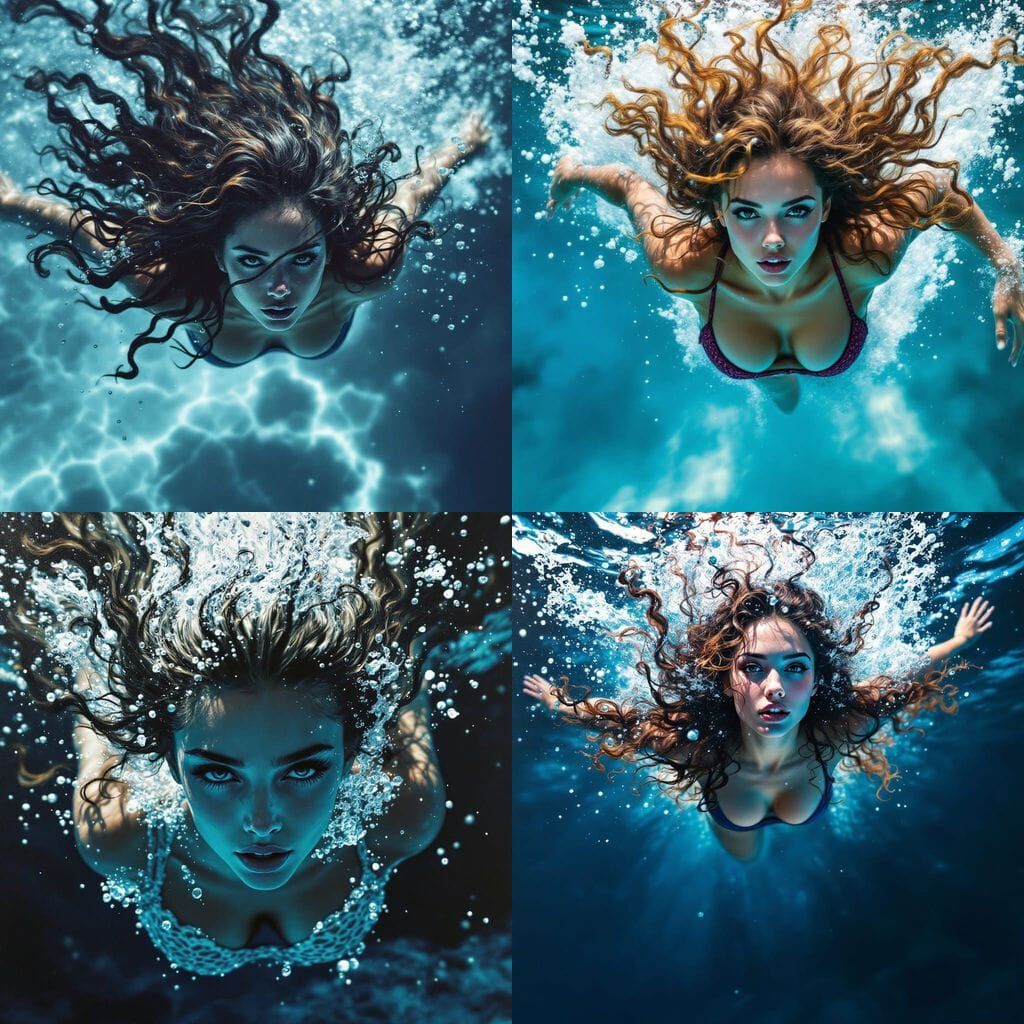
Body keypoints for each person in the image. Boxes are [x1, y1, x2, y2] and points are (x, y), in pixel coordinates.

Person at [2, 513, 493, 975]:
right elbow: (96, 690)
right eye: (217, 773)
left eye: (303, 770)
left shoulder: (402, 813)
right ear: (170, 763)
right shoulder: (118, 831)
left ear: (350, 755)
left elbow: (403, 685)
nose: (262, 822)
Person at [546, 0, 1024, 411]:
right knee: (779, 392)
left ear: (826, 207)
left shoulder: (865, 255)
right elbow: (631, 185)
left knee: (780, 393)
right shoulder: (686, 265)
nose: (773, 240)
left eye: (796, 210)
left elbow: (939, 189)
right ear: (718, 212)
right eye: (747, 213)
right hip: (759, 363)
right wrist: (575, 177)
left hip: (787, 331)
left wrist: (1007, 268)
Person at [0, 0, 490, 377]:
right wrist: (13, 202)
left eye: (303, 259)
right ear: (218, 255)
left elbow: (413, 194)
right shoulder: (170, 290)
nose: (280, 291)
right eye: (251, 261)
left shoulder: (368, 268)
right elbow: (74, 223)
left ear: (328, 245)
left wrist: (459, 150)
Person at [524, 562, 994, 862]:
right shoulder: (697, 750)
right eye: (752, 667)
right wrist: (554, 701)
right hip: (735, 823)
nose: (774, 689)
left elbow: (908, 678)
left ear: (816, 680)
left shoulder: (838, 728)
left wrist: (959, 640)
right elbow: (614, 718)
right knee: (748, 856)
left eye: (794, 668)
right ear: (727, 679)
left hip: (784, 791)